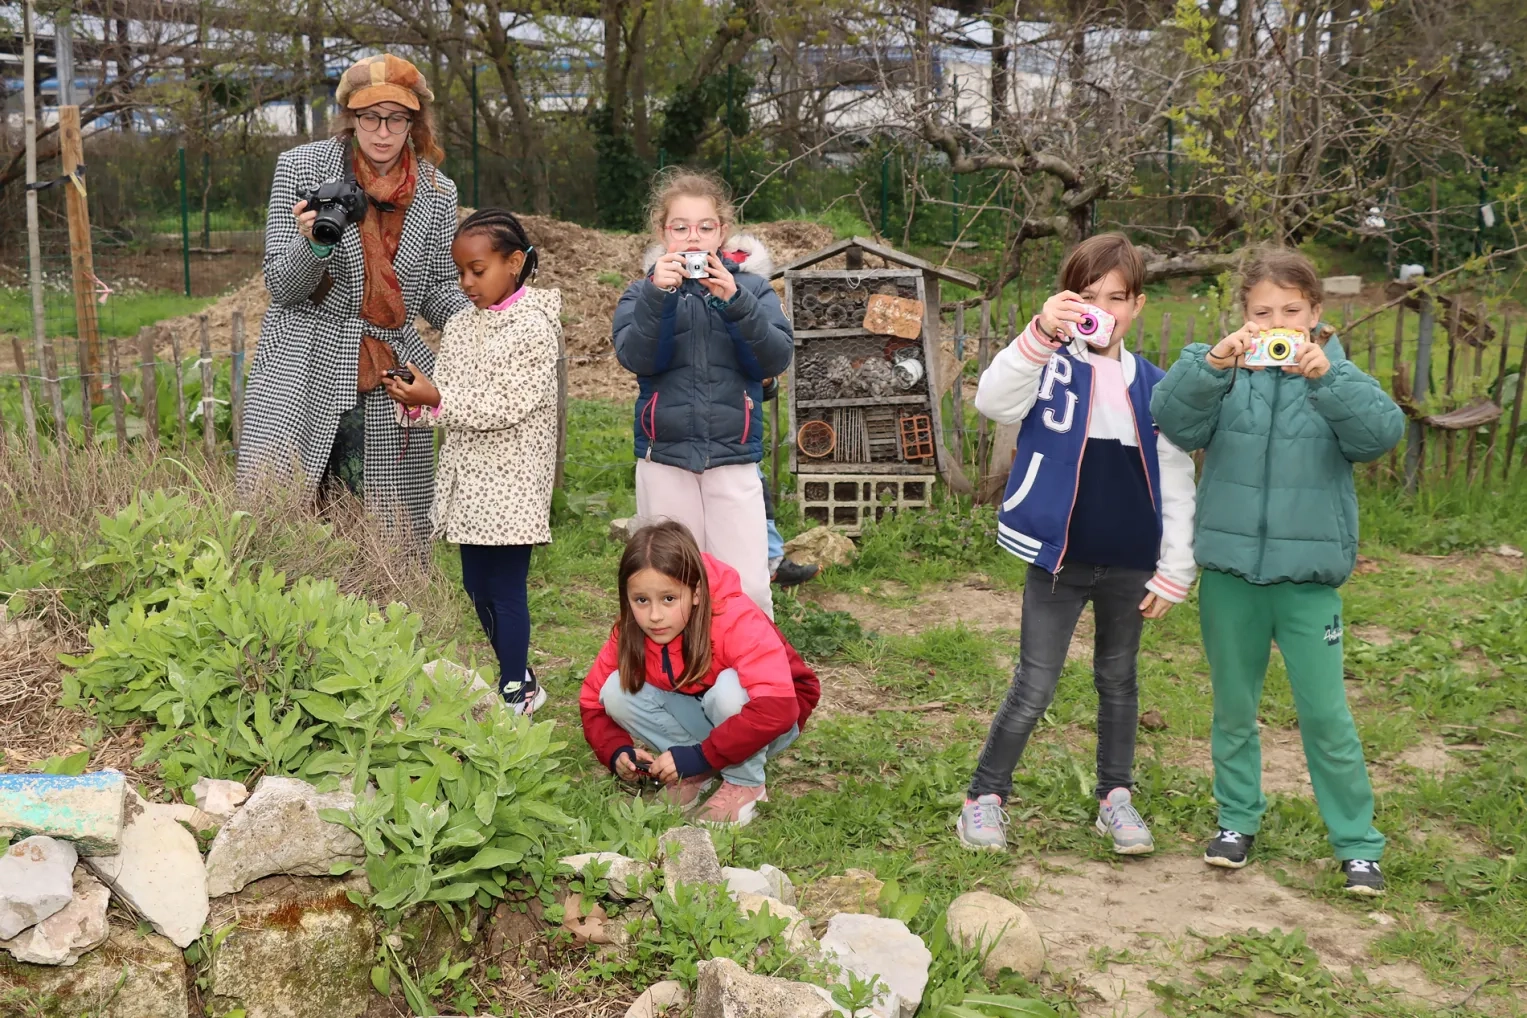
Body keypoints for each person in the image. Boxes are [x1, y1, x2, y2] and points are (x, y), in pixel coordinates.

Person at [1150, 247, 1403, 896]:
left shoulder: (1336, 376)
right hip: (1230, 575)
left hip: (1306, 581)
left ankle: (1357, 846)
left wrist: (1328, 379)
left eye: (1291, 310)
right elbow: (1173, 420)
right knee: (1233, 709)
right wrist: (1212, 364)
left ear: (1315, 313)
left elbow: (1379, 436)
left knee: (1325, 715)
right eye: (1262, 312)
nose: (1277, 323)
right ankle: (1236, 820)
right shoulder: (1223, 370)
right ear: (1244, 313)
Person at [957, 233, 1197, 855]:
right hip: (1059, 559)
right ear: (1067, 301)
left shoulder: (1157, 387)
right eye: (1088, 297)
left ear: (1137, 306)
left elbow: (1176, 477)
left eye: (1116, 298)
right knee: (1035, 683)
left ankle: (1115, 798)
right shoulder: (1048, 367)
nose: (1102, 311)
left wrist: (1175, 565)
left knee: (1119, 679)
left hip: (1131, 561)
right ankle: (984, 798)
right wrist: (1040, 333)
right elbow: (992, 402)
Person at [239, 54, 468, 543]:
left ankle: (384, 594)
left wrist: (489, 319)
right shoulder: (301, 168)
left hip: (387, 373)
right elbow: (282, 286)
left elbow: (436, 288)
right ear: (350, 117)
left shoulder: (437, 192)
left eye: (396, 118)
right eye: (370, 117)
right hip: (303, 361)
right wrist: (314, 245)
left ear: (414, 122)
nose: (382, 132)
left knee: (386, 531)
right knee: (284, 516)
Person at [381, 209, 559, 713]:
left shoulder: (535, 327)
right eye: (460, 272)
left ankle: (514, 692)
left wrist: (436, 397)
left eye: (477, 271)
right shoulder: (460, 325)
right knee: (476, 585)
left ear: (514, 262)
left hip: (513, 482)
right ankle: (520, 674)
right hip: (468, 483)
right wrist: (415, 401)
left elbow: (506, 404)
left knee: (505, 588)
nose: (466, 283)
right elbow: (448, 399)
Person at [612, 171, 793, 620]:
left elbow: (773, 359)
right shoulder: (640, 293)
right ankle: (679, 664)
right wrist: (659, 296)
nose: (693, 237)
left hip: (733, 455)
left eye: (705, 227)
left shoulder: (752, 289)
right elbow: (639, 358)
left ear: (722, 232)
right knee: (670, 584)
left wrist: (735, 302)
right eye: (681, 227)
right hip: (665, 458)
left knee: (748, 586)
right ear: (662, 233)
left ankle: (748, 665)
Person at [579, 521, 821, 825]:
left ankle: (745, 782)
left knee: (729, 690)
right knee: (616, 691)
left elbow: (778, 709)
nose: (655, 616)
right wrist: (616, 750)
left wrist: (699, 755)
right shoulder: (630, 629)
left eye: (669, 599)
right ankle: (694, 774)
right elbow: (592, 701)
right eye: (641, 600)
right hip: (708, 716)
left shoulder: (734, 617)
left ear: (695, 592)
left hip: (772, 721)